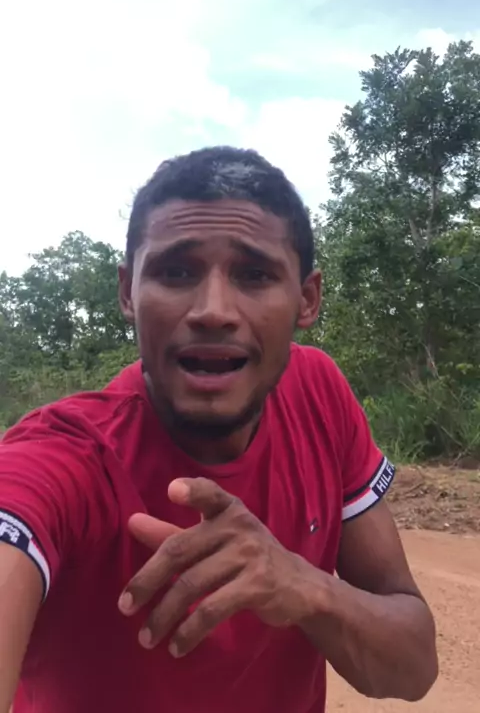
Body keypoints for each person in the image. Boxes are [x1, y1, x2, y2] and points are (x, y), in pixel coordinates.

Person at [0, 146, 437, 713]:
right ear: (128, 292)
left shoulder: (318, 394)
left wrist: (306, 586)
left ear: (307, 299)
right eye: (176, 272)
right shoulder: (68, 455)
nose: (213, 310)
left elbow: (414, 666)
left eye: (254, 275)